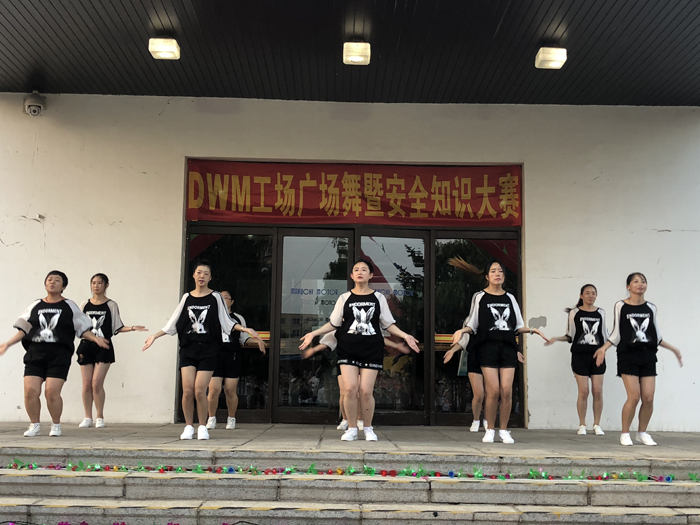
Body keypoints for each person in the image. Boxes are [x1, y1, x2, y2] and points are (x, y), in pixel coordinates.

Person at [299, 259, 420, 442]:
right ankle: (352, 428)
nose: (360, 272)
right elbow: (333, 324)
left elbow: (388, 324)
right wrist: (313, 333)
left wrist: (405, 336)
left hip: (371, 349)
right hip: (347, 349)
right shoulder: (344, 298)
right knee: (350, 389)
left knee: (365, 391)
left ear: (371, 275)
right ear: (352, 275)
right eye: (356, 270)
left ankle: (368, 428)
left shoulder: (379, 298)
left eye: (364, 270)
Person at [142, 262, 259, 440]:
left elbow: (226, 321)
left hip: (208, 350)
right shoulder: (186, 297)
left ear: (210, 277)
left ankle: (202, 426)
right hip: (188, 349)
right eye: (199, 272)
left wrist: (244, 329)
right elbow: (173, 322)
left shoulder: (216, 297)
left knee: (199, 390)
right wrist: (155, 336)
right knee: (187, 390)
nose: (202, 276)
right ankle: (189, 426)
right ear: (194, 276)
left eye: (205, 273)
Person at [0, 271, 109, 437]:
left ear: (63, 286)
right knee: (30, 391)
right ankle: (34, 425)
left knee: (51, 392)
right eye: (49, 280)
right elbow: (24, 329)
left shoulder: (69, 306)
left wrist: (95, 339)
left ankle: (56, 425)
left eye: (57, 280)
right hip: (35, 354)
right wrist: (7, 343)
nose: (52, 282)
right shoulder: (35, 305)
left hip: (59, 356)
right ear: (45, 284)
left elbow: (81, 328)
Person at [450, 257, 547, 444]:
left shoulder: (510, 298)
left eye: (501, 271)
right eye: (493, 271)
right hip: (487, 348)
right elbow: (473, 324)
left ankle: (503, 430)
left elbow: (518, 326)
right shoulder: (480, 297)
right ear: (487, 276)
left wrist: (533, 330)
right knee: (493, 391)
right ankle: (490, 430)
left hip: (508, 348)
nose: (498, 274)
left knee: (507, 391)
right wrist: (461, 331)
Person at [593, 273, 682, 446]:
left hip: (648, 355)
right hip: (628, 355)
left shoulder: (651, 308)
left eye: (643, 281)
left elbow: (656, 335)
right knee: (634, 396)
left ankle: (642, 432)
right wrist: (603, 348)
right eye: (636, 281)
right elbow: (616, 333)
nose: (640, 284)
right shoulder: (621, 305)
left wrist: (673, 349)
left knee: (648, 398)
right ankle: (625, 433)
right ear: (628, 286)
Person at [77, 273, 147, 429]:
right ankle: (87, 417)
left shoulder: (111, 305)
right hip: (86, 346)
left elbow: (117, 326)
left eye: (99, 283)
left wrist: (133, 328)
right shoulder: (84, 304)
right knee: (86, 384)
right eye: (93, 283)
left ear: (106, 285)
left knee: (96, 383)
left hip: (104, 346)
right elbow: (80, 327)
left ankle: (99, 416)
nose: (96, 286)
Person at [301, 330, 410, 430]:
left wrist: (396, 345)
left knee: (359, 391)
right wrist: (314, 349)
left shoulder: (366, 325)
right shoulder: (341, 326)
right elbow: (329, 341)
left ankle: (360, 419)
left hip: (363, 360)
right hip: (345, 360)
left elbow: (379, 337)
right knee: (344, 392)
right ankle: (345, 419)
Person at [546, 284, 607, 436]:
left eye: (593, 293)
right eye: (587, 293)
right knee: (584, 391)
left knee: (597, 391)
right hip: (579, 356)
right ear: (581, 296)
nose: (590, 296)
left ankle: (597, 424)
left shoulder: (601, 312)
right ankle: (582, 424)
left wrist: (604, 350)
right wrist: (556, 338)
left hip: (597, 356)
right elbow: (570, 335)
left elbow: (605, 335)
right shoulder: (575, 313)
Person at [205, 290, 265, 431]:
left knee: (230, 389)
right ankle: (211, 417)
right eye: (221, 298)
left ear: (232, 302)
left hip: (232, 356)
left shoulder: (238, 318)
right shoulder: (211, 316)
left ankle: (231, 418)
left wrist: (257, 341)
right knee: (213, 389)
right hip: (215, 356)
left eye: (226, 298)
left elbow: (244, 339)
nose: (223, 300)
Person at [442, 328, 486, 432]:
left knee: (491, 393)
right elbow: (464, 340)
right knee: (479, 394)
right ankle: (476, 420)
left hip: (492, 358)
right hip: (475, 359)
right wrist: (452, 350)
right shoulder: (470, 322)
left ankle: (488, 420)